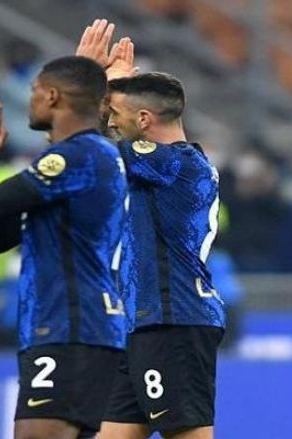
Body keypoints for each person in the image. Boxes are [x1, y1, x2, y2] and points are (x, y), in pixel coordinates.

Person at [0, 55, 128, 439]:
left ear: (52, 97)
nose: (28, 101)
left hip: (69, 326)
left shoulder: (74, 158)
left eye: (33, 91)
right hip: (79, 327)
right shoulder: (90, 158)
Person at [75, 20, 225, 439]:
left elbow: (90, 147)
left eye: (115, 115)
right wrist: (109, 90)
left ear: (144, 120)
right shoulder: (151, 167)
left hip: (172, 320)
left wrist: (83, 84)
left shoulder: (174, 163)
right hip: (139, 321)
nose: (110, 122)